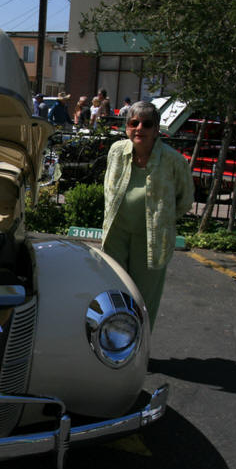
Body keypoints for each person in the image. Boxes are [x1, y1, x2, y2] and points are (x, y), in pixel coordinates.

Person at [101, 101, 194, 329]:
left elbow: (185, 200)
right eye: (134, 123)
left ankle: (140, 349)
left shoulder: (174, 160)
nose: (139, 128)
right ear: (127, 127)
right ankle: (113, 344)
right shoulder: (116, 151)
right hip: (117, 234)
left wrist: (162, 219)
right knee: (115, 291)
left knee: (143, 299)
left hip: (151, 239)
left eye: (146, 124)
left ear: (156, 129)